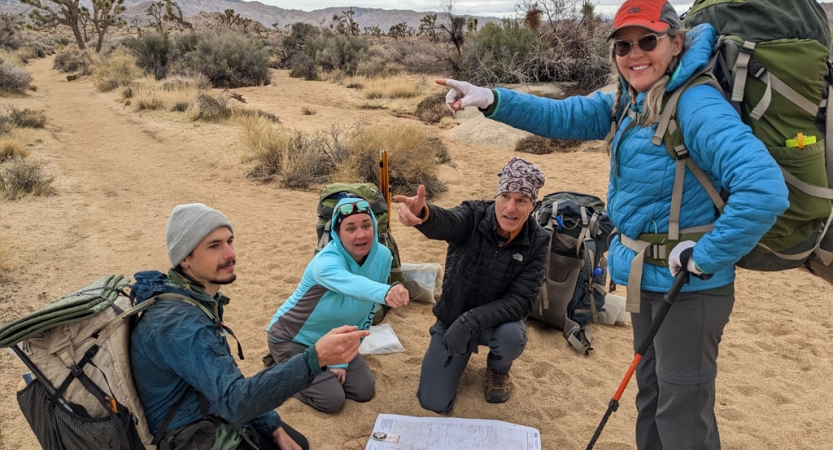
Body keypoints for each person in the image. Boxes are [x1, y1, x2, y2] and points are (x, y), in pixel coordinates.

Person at [437, 1, 789, 448]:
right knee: (653, 396)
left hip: (691, 288)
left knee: (682, 409)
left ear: (677, 42)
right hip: (649, 278)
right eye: (623, 45)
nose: (634, 53)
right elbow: (561, 116)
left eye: (648, 40)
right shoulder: (630, 99)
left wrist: (706, 257)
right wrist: (490, 98)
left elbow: (764, 190)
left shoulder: (696, 104)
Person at [131, 203, 370, 450]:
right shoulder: (180, 324)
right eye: (214, 246)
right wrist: (314, 358)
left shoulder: (195, 299)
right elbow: (234, 401)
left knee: (296, 442)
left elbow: (228, 376)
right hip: (189, 433)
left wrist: (272, 425)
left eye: (229, 241)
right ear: (184, 259)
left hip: (210, 405)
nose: (230, 254)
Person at [394, 157, 549, 413]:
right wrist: (424, 214)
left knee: (512, 336)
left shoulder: (538, 241)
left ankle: (498, 368)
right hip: (452, 319)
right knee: (433, 402)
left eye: (521, 200)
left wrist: (470, 322)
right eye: (505, 197)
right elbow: (448, 221)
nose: (510, 208)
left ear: (533, 205)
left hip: (493, 325)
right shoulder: (474, 214)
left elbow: (521, 301)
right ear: (496, 196)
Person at [266, 198, 409, 413]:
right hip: (293, 339)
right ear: (337, 233)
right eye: (350, 228)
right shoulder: (325, 263)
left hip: (337, 340)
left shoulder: (383, 256)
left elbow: (367, 313)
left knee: (364, 391)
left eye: (366, 225)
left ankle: (315, 367)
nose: (361, 234)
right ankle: (280, 370)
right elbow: (355, 285)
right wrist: (385, 292)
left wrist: (340, 361)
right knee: (332, 400)